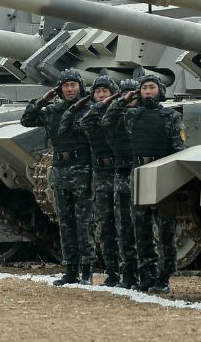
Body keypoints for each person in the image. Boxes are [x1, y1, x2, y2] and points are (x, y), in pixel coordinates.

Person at [106, 74, 184, 294]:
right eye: (144, 88)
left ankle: (163, 276)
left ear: (160, 90)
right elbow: (107, 120)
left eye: (152, 87)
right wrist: (122, 99)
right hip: (138, 174)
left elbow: (179, 149)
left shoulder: (171, 116)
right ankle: (147, 274)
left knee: (166, 231)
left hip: (162, 174)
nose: (148, 91)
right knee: (141, 231)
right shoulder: (132, 116)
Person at [21, 69, 95, 285]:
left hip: (82, 170)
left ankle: (87, 270)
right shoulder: (53, 111)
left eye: (74, 85)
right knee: (66, 224)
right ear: (59, 89)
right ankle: (71, 270)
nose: (70, 89)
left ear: (81, 87)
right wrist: (44, 99)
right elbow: (27, 119)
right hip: (60, 171)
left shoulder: (89, 110)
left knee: (84, 224)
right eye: (66, 86)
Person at [61, 74, 126, 287]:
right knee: (103, 227)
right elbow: (74, 123)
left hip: (120, 172)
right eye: (97, 91)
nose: (100, 95)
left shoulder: (124, 114)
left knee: (124, 225)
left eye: (105, 91)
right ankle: (113, 273)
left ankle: (130, 272)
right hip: (99, 173)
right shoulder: (91, 116)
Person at [101, 77, 140, 289]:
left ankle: (149, 273)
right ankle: (129, 274)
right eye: (126, 93)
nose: (130, 97)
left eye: (134, 93)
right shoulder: (115, 119)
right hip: (123, 176)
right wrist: (119, 101)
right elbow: (99, 121)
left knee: (144, 229)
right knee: (124, 228)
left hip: (143, 174)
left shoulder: (147, 115)